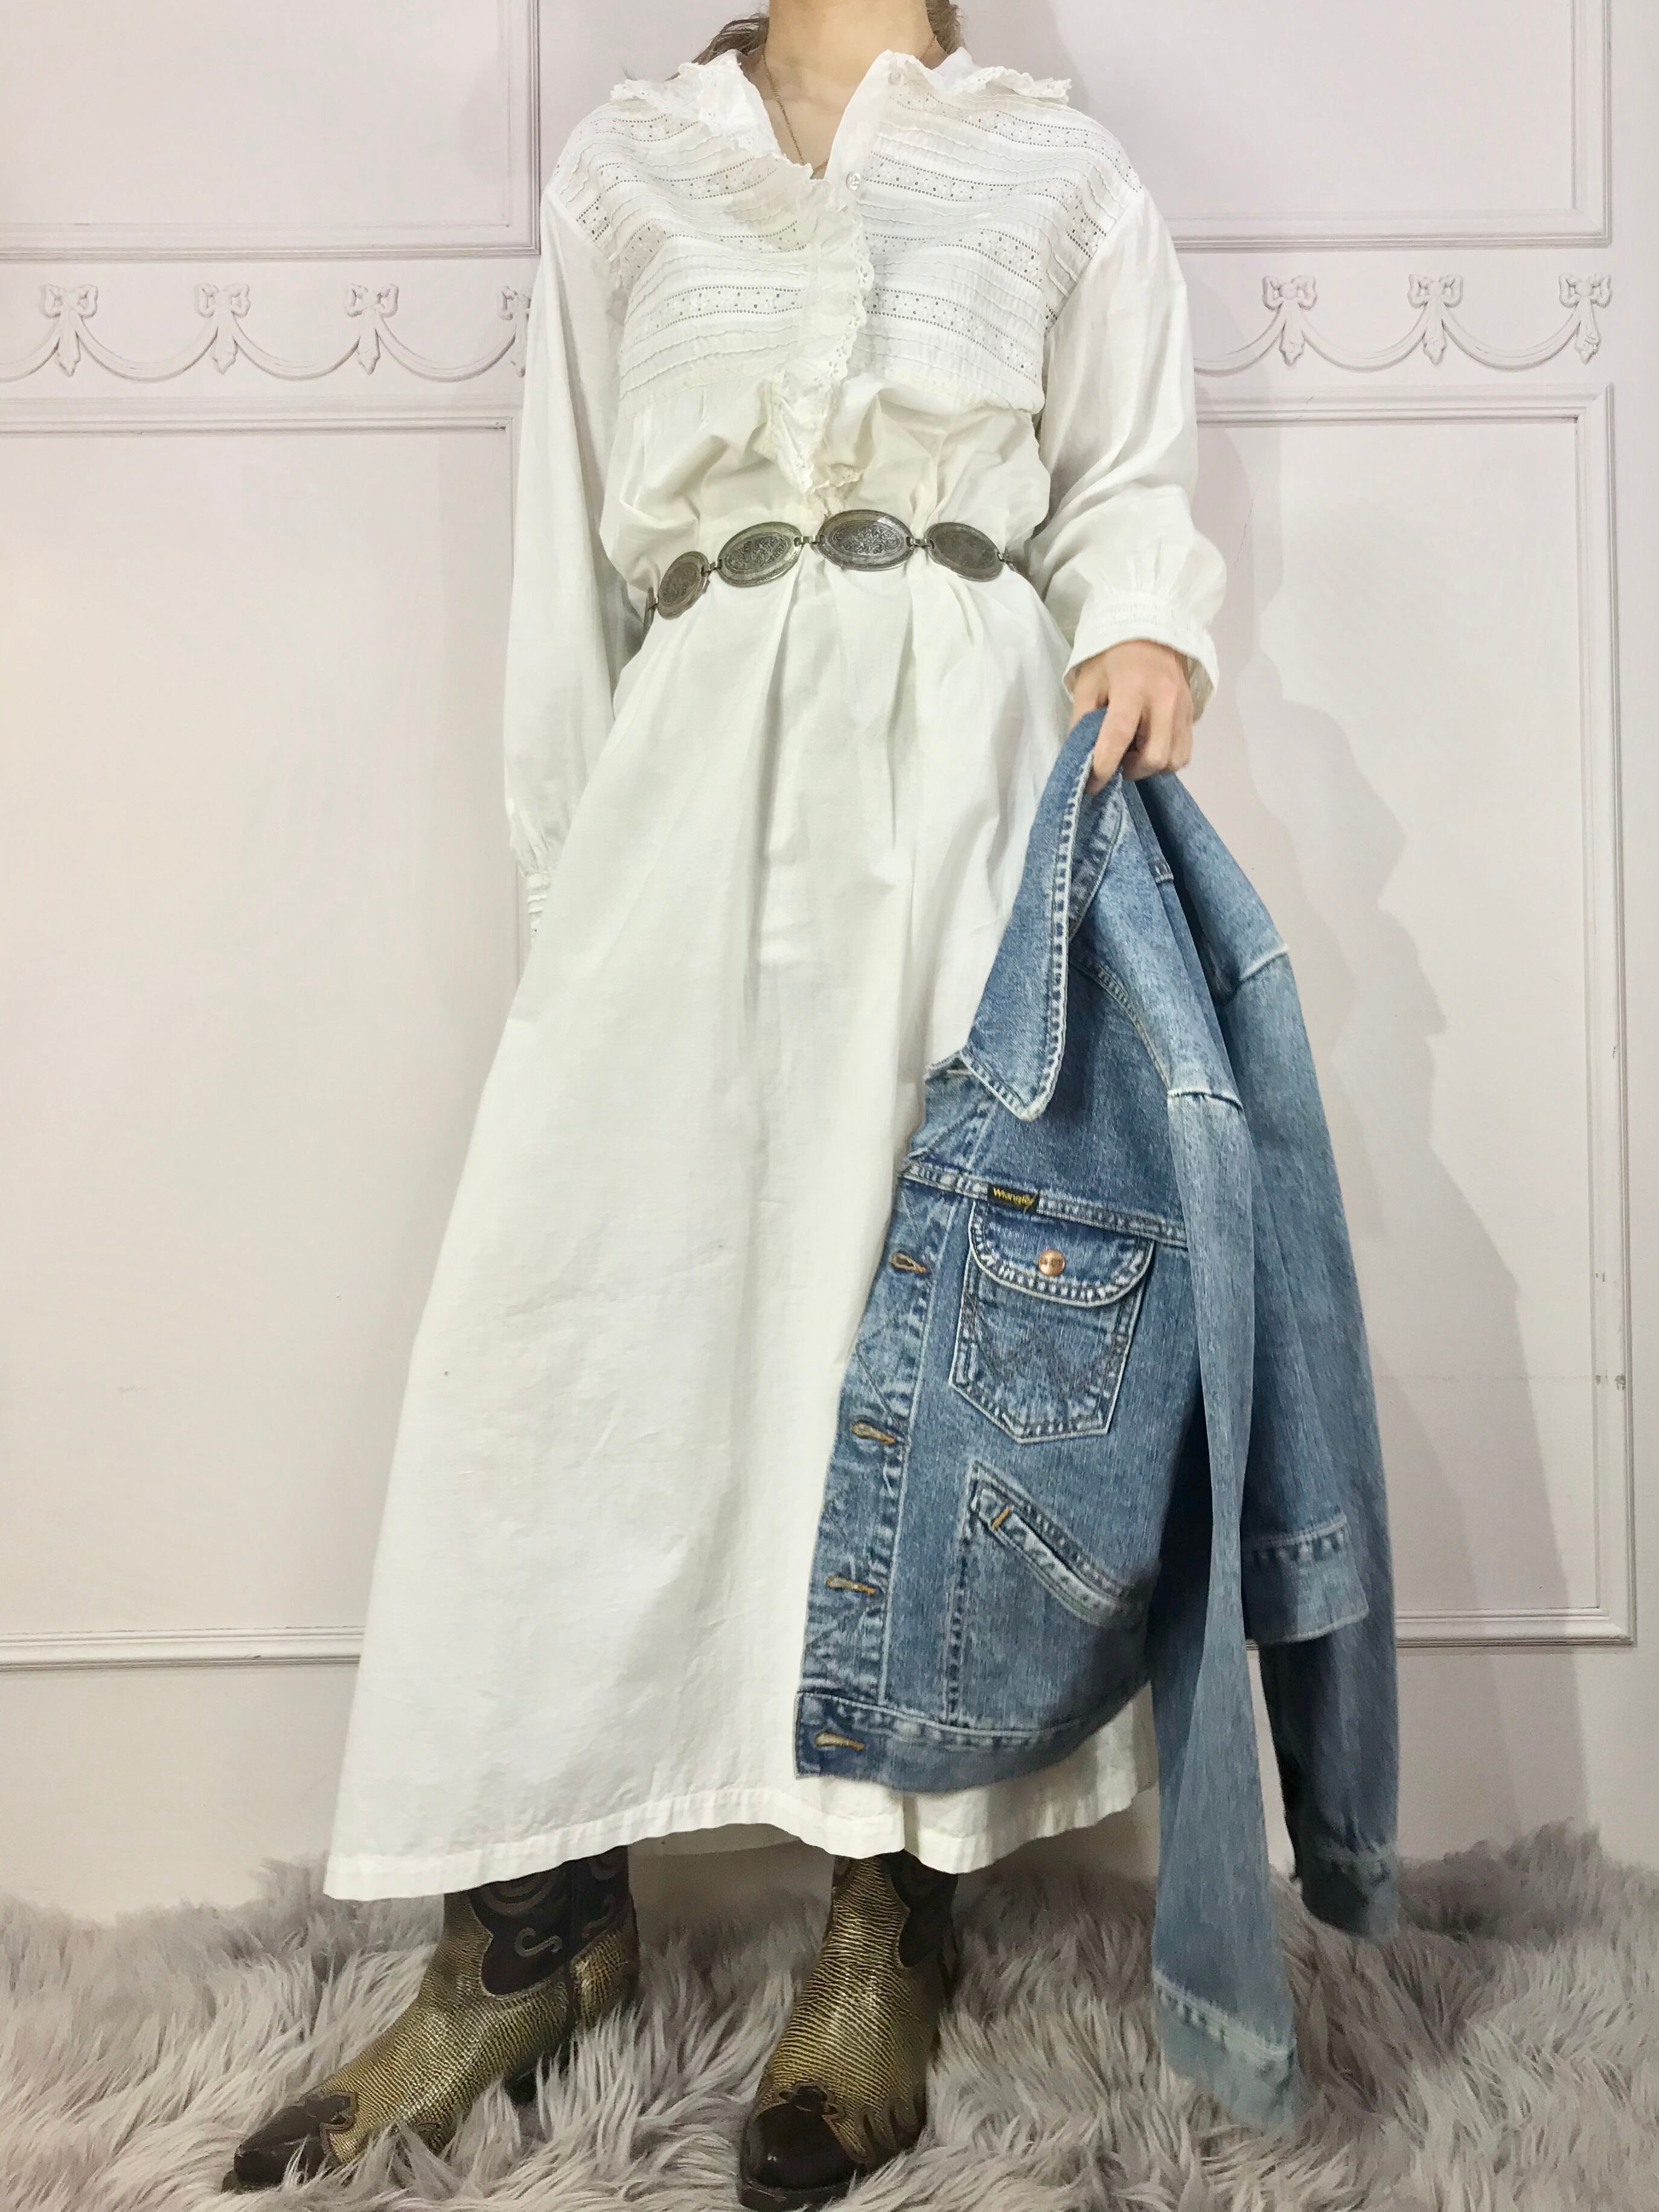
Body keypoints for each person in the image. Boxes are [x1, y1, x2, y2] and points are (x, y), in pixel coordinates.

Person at [225, 1, 1226, 2201]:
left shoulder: (1051, 169)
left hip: (968, 790)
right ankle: (527, 1933)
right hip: (682, 794)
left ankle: (890, 1922)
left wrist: (1145, 619)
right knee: (564, 1333)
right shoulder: (627, 170)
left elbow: (1129, 481)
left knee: (921, 1346)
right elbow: (559, 572)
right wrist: (569, 894)